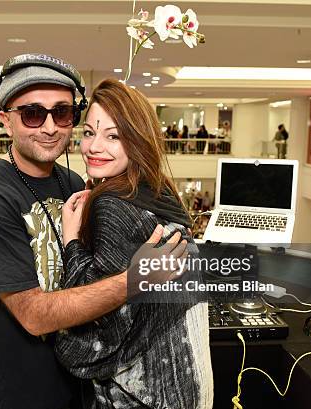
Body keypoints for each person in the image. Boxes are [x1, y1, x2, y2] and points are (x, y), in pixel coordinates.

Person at [0, 54, 185, 409]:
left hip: (72, 388)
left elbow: (87, 276)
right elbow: (34, 316)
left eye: (61, 113)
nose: (49, 127)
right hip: (9, 397)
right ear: (6, 120)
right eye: (33, 113)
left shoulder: (72, 182)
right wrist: (132, 281)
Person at [55, 79, 213, 408]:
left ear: (137, 141)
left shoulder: (112, 205)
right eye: (88, 133)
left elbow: (93, 327)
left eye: (113, 136)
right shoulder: (160, 191)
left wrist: (71, 241)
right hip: (190, 389)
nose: (94, 147)